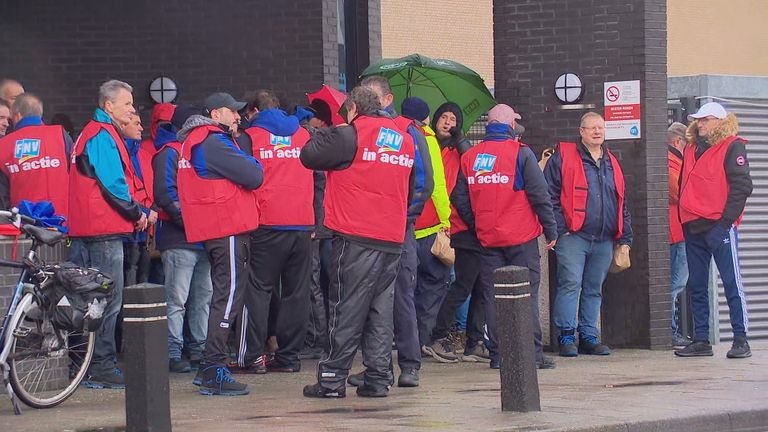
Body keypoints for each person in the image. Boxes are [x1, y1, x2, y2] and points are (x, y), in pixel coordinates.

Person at [300, 86, 415, 398]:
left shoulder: (352, 134)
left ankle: (331, 380)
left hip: (355, 235)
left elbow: (308, 156)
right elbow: (414, 183)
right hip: (391, 236)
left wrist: (327, 132)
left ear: (352, 108)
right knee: (380, 310)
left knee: (345, 308)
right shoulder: (404, 139)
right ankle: (378, 377)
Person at [451, 104, 558, 370]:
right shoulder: (522, 155)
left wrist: (478, 224)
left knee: (493, 297)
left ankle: (498, 354)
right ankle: (532, 355)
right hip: (521, 238)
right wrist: (551, 230)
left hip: (488, 240)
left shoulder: (471, 157)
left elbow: (459, 198)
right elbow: (540, 195)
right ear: (510, 126)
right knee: (527, 296)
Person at [177, 92, 263, 396]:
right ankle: (214, 367)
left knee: (221, 294)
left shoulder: (196, 140)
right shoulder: (212, 141)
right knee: (227, 297)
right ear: (215, 113)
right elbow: (254, 175)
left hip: (216, 226)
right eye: (233, 111)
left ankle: (207, 367)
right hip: (226, 226)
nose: (238, 116)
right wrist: (248, 156)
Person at [69, 80, 148, 388]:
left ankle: (85, 363)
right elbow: (112, 184)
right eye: (127, 103)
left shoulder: (90, 133)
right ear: (109, 106)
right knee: (107, 300)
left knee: (88, 299)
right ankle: (101, 365)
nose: (132, 108)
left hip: (87, 227)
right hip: (103, 229)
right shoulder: (102, 135)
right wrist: (136, 212)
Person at [233, 90, 314, 374]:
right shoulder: (303, 136)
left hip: (265, 223)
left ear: (254, 111)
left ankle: (253, 356)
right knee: (296, 293)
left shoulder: (249, 138)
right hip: (302, 223)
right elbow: (319, 179)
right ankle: (289, 358)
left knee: (257, 289)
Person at [544, 112, 633, 358]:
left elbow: (621, 201)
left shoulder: (611, 161)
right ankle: (566, 336)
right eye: (592, 128)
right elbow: (548, 194)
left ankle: (588, 336)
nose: (597, 132)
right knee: (570, 284)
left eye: (601, 128)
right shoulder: (564, 156)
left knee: (594, 288)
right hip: (573, 236)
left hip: (604, 238)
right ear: (581, 131)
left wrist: (625, 237)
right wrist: (559, 230)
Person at [674, 102, 753, 359]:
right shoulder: (690, 148)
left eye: (706, 120)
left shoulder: (732, 145)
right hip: (692, 225)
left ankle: (741, 339)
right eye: (698, 120)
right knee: (696, 286)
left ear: (720, 121)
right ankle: (701, 340)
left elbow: (741, 188)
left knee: (732, 283)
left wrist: (724, 225)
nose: (700, 124)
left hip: (719, 226)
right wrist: (683, 218)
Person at [423, 102, 487, 363]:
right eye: (444, 117)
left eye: (453, 118)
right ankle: (437, 335)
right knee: (456, 285)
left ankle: (474, 340)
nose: (448, 122)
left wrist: (460, 141)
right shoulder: (427, 145)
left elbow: (471, 165)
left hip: (459, 225)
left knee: (479, 284)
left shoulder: (460, 150)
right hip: (447, 224)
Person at [152, 105, 213, 373]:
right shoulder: (170, 153)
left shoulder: (188, 151)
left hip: (200, 237)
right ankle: (174, 351)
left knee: (202, 296)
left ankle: (198, 349)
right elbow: (165, 194)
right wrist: (195, 223)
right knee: (177, 298)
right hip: (181, 237)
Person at [0, 93, 72, 216]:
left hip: (24, 226)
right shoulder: (61, 135)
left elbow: (3, 198)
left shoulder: (4, 145)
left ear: (17, 115)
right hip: (62, 222)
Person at [122, 114, 157, 287]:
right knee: (129, 278)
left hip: (145, 230)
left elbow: (153, 190)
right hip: (126, 229)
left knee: (143, 279)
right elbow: (121, 191)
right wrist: (143, 213)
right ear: (123, 126)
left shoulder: (144, 156)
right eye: (136, 123)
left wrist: (150, 213)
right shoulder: (118, 155)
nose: (141, 128)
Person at [667, 122, 690, 348]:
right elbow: (681, 193)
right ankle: (670, 331)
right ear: (677, 142)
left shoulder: (675, 162)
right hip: (677, 232)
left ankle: (672, 331)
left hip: (679, 231)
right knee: (676, 282)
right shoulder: (672, 164)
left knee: (676, 282)